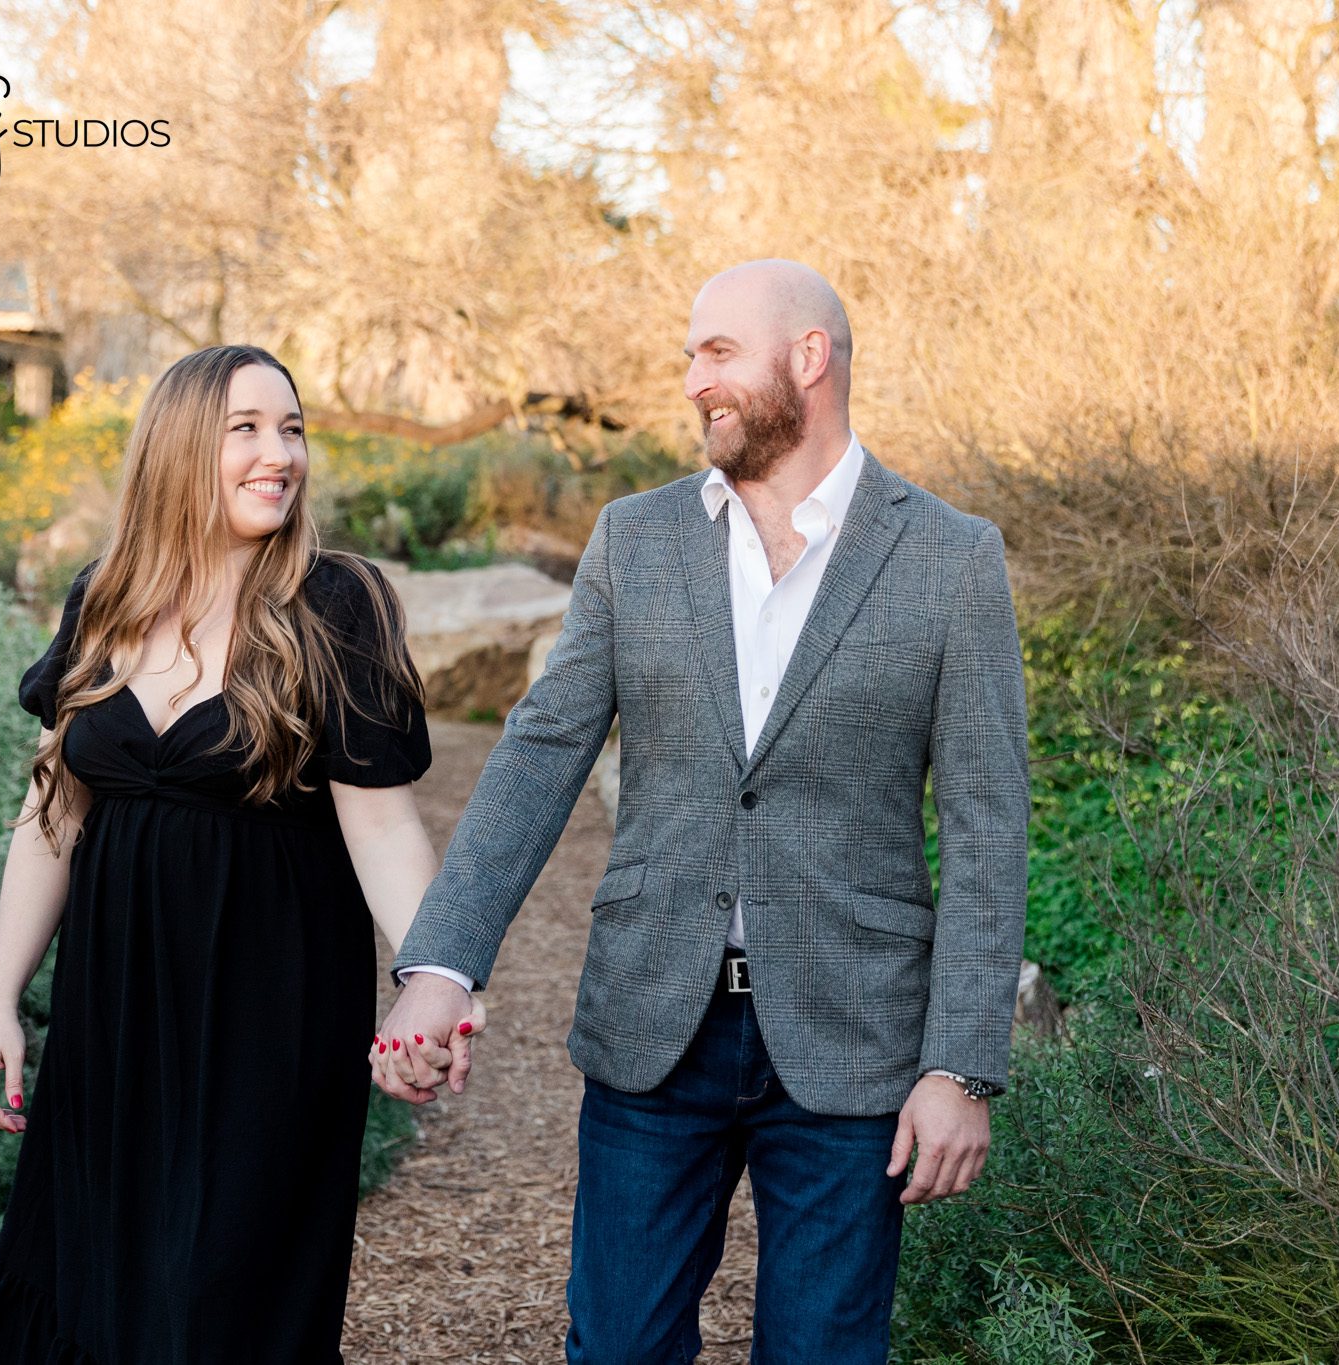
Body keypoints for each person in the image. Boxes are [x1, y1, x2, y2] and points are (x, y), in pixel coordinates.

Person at [374, 260, 1029, 1363]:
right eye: (689, 356)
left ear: (808, 358)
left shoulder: (950, 559)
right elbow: (540, 753)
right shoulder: (635, 538)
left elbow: (985, 828)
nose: (692, 382)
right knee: (618, 1349)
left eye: (718, 352)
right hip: (652, 1027)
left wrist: (958, 1067)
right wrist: (440, 963)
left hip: (852, 1041)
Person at [0, 344, 478, 1364]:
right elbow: (52, 809)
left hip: (269, 1014)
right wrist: (0, 1000)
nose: (281, 455)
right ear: (180, 449)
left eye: (293, 430)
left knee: (223, 1293)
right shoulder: (106, 595)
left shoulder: (334, 605)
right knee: (86, 1273)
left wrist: (436, 978)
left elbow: (383, 825)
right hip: (112, 1011)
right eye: (247, 430)